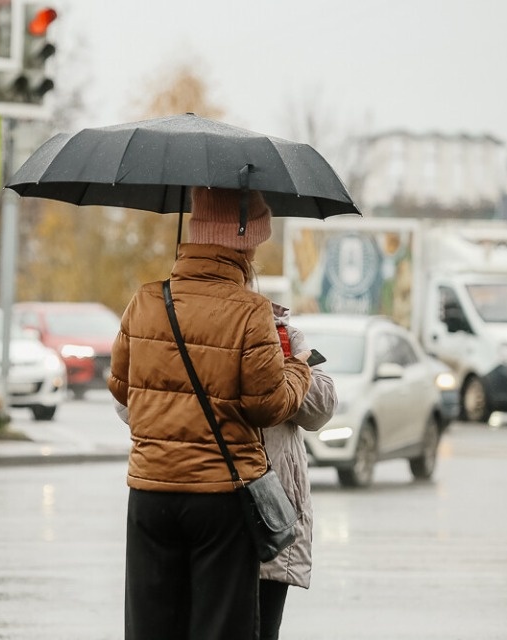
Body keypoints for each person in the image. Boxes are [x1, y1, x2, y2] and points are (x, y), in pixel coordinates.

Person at [108, 186, 313, 640]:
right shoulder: (251, 312)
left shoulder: (145, 301)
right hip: (221, 498)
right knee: (220, 627)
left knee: (152, 626)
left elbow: (122, 389)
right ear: (243, 241)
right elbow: (268, 405)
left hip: (150, 492)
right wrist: (297, 369)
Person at [258, 303, 337, 640]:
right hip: (230, 503)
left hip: (267, 509)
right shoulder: (178, 318)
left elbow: (320, 409)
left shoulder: (279, 332)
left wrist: (288, 366)